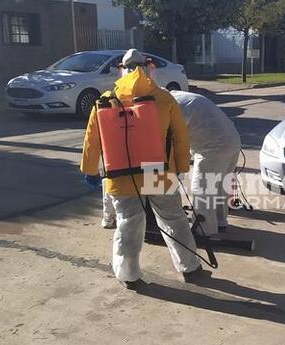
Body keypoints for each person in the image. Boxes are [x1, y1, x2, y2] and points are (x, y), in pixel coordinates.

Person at [80, 49, 204, 288]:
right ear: (148, 68)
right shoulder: (164, 98)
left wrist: (90, 169)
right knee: (173, 218)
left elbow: (91, 139)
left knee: (128, 222)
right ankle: (190, 268)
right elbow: (180, 137)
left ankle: (129, 275)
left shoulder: (104, 100)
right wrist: (180, 167)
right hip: (157, 172)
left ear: (121, 69)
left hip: (121, 174)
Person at [170, 90, 241, 237]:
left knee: (202, 189)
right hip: (233, 139)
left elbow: (174, 141)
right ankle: (220, 222)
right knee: (220, 186)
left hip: (213, 147)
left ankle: (204, 229)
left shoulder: (172, 106)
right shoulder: (181, 97)